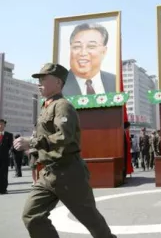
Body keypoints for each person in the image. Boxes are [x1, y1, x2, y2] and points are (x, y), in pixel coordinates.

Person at [13, 63, 116, 237]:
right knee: (31, 216)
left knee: (91, 219)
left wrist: (32, 142)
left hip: (69, 173)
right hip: (47, 174)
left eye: (44, 79)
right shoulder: (46, 106)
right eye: (39, 79)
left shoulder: (62, 106)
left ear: (58, 83)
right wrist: (35, 152)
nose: (39, 83)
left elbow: (63, 137)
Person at [62, 23, 116, 96]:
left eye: (91, 46)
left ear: (104, 51)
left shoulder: (115, 81)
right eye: (77, 46)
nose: (83, 53)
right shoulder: (59, 85)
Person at [0, 119, 13, 194]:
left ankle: (3, 189)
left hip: (4, 158)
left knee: (4, 173)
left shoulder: (9, 135)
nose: (0, 126)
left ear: (4, 125)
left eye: (2, 124)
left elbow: (10, 146)